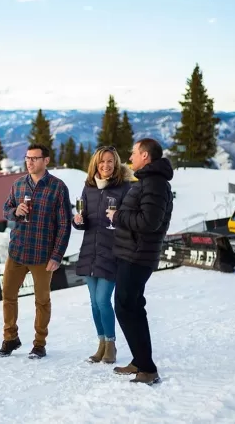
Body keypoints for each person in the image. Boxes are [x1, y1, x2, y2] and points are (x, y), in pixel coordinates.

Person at [107, 138, 173, 385]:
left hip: (138, 255)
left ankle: (147, 367)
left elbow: (149, 222)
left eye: (133, 152)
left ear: (145, 156)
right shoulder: (148, 181)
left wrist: (118, 216)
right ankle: (139, 360)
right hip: (132, 253)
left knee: (125, 307)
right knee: (132, 307)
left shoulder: (154, 183)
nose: (130, 157)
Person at [0, 143, 72, 359]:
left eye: (35, 158)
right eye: (27, 158)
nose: (29, 162)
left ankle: (39, 343)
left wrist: (57, 256)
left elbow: (64, 224)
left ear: (46, 160)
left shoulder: (58, 187)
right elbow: (5, 210)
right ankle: (10, 338)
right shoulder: (18, 184)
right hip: (17, 251)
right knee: (8, 296)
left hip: (42, 254)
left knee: (42, 300)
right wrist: (15, 211)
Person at [71, 146, 133, 364]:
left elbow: (129, 222)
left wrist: (118, 218)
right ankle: (101, 344)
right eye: (101, 162)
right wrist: (78, 221)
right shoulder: (88, 188)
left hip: (112, 251)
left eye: (109, 162)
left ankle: (111, 344)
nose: (105, 166)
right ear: (95, 165)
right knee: (94, 303)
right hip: (90, 250)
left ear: (115, 163)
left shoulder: (125, 188)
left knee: (103, 300)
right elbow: (85, 219)